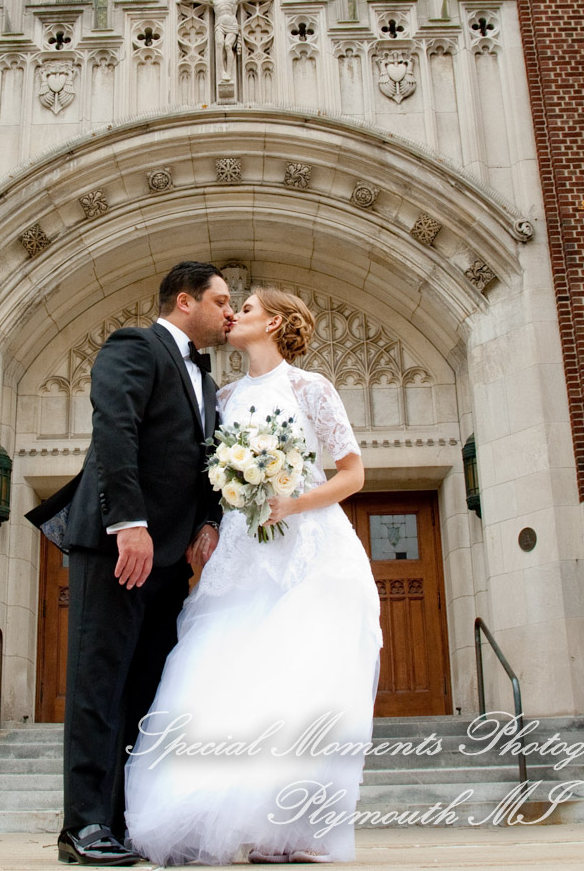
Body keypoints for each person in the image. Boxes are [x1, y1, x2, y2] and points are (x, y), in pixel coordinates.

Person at [124, 287, 382, 866]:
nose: (235, 312)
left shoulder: (312, 388)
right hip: (241, 550)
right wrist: (209, 525)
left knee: (300, 681)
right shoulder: (226, 397)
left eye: (249, 306)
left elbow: (353, 474)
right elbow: (210, 480)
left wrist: (295, 502)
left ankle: (289, 829)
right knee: (222, 670)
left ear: (278, 322)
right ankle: (204, 814)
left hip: (308, 548)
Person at [55, 262, 234, 866]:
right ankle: (81, 827)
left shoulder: (208, 384)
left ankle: (122, 823)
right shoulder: (136, 345)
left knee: (144, 693)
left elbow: (209, 461)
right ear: (185, 302)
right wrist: (127, 522)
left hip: (167, 562)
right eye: (221, 300)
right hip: (116, 548)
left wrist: (208, 523)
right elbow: (116, 429)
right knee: (97, 685)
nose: (230, 312)